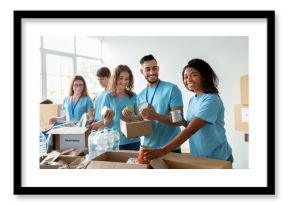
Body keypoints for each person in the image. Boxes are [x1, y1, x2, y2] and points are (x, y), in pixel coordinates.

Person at [144, 58, 234, 163]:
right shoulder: (193, 99)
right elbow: (190, 125)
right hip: (200, 158)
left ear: (204, 76)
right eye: (185, 77)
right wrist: (181, 121)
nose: (188, 80)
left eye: (194, 75)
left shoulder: (211, 100)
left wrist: (163, 150)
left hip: (218, 158)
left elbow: (190, 130)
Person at [137, 54, 184, 153]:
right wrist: (133, 131)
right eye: (147, 69)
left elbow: (178, 120)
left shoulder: (171, 89)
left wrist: (155, 115)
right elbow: (143, 121)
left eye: (154, 68)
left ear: (158, 69)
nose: (152, 72)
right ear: (142, 71)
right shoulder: (140, 96)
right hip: (147, 148)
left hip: (170, 148)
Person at [91, 65, 141, 150]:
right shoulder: (108, 96)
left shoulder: (133, 96)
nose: (124, 81)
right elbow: (106, 122)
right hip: (115, 141)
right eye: (121, 78)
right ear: (115, 79)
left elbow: (140, 118)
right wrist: (107, 120)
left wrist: (131, 117)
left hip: (133, 141)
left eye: (127, 79)